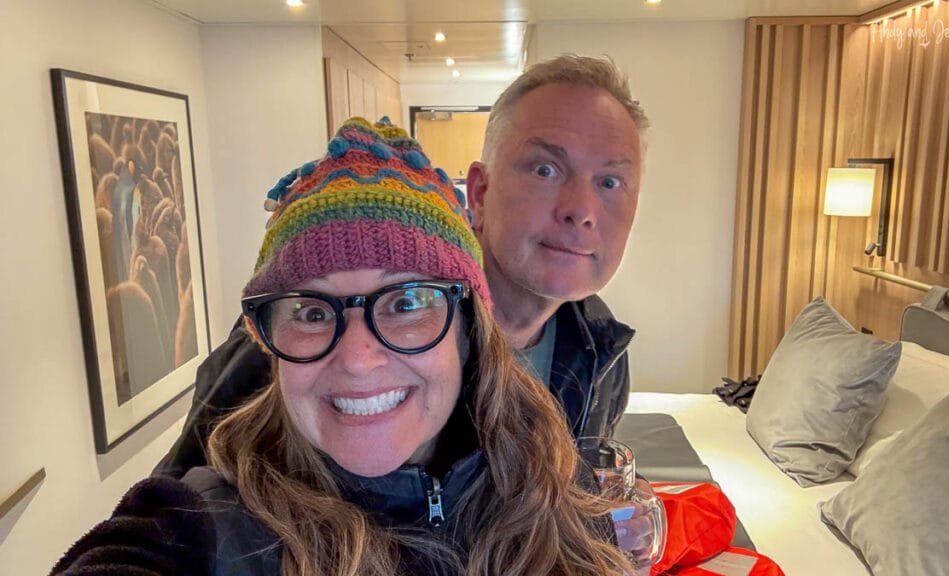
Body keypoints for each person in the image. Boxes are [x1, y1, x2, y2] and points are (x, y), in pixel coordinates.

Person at [52, 118, 636, 576]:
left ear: (468, 328)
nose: (357, 359)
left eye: (406, 303)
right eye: (311, 311)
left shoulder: (552, 493)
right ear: (269, 342)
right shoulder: (202, 526)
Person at [155, 54, 649, 481]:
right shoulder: (306, 336)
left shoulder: (600, 351)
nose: (580, 209)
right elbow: (176, 516)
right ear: (479, 192)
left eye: (610, 182)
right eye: (546, 169)